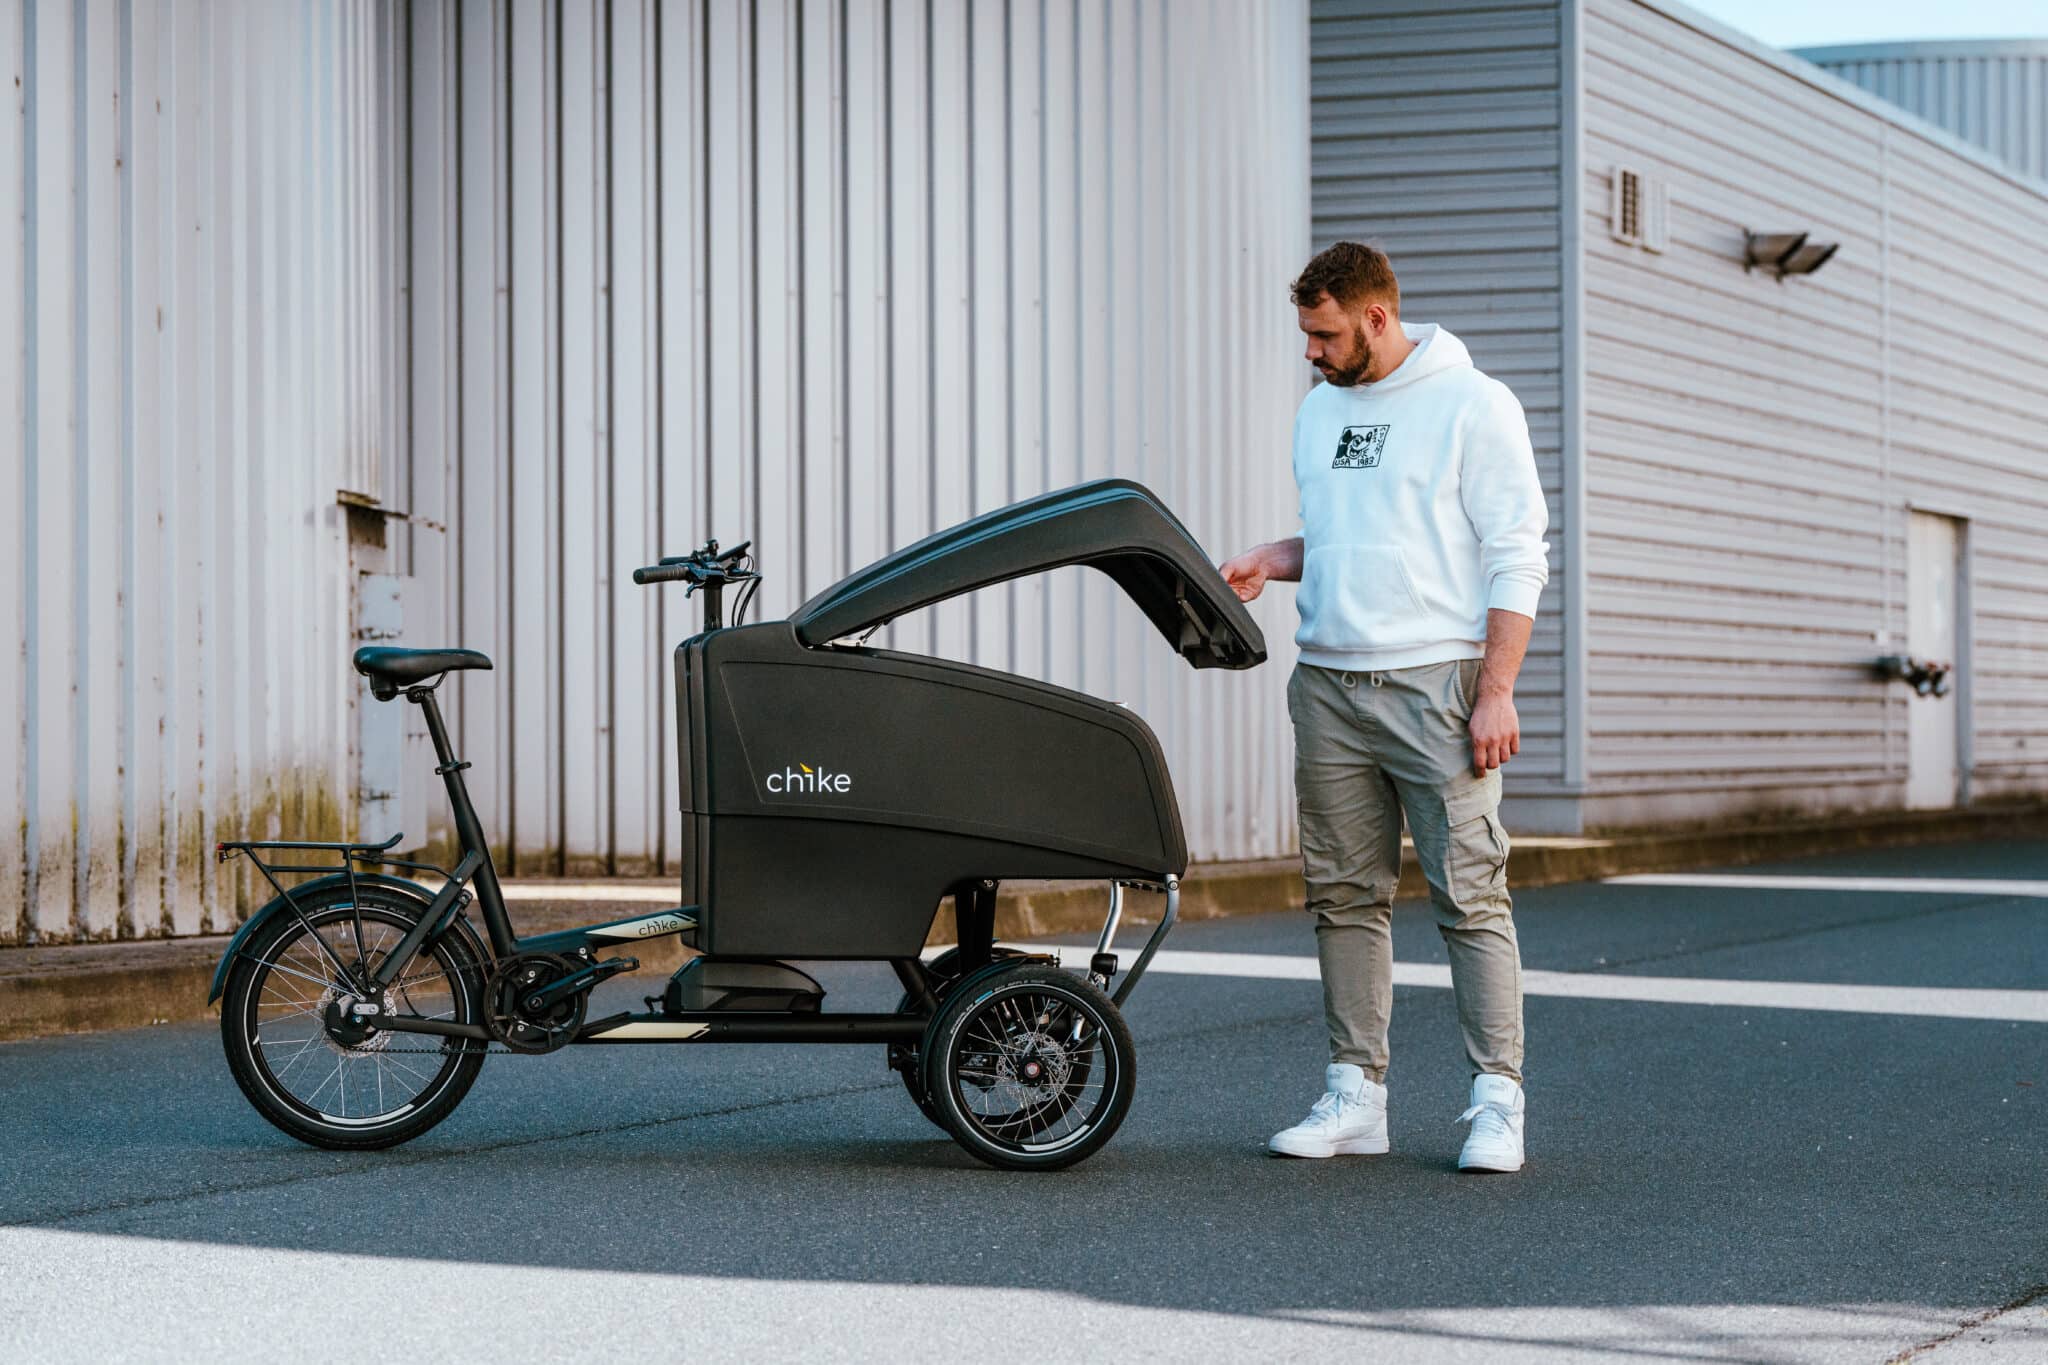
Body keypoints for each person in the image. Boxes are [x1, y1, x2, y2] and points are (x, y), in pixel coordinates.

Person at [1221, 242, 1548, 1173]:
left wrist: (1496, 691)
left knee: (1471, 897)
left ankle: (1498, 1102)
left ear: (1375, 317)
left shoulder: (1474, 404)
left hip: (1436, 687)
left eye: (1324, 335)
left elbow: (1516, 554)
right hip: (1327, 685)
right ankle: (1356, 1094)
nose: (1312, 354)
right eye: (1305, 337)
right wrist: (1273, 559)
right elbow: (1344, 537)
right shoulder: (1319, 412)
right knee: (1342, 898)